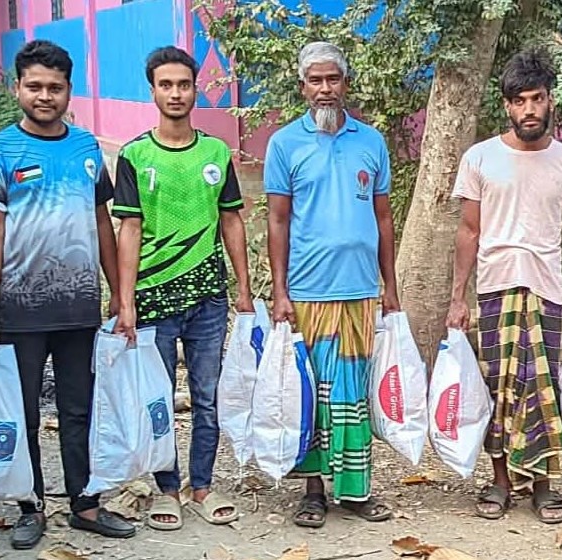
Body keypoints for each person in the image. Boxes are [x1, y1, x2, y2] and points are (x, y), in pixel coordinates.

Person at [0, 39, 136, 549]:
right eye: (35, 86)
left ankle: (85, 502)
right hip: (18, 310)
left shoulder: (86, 149)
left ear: (69, 91)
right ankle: (31, 505)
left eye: (55, 88)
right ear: (17, 88)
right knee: (21, 410)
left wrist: (119, 296)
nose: (45, 96)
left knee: (80, 408)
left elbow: (101, 223)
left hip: (78, 308)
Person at [446, 48, 562, 525]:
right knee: (498, 388)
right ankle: (499, 482)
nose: (529, 109)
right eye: (520, 101)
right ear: (507, 105)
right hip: (495, 289)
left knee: (542, 387)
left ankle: (544, 486)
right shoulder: (480, 158)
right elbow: (469, 231)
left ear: (550, 101)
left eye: (537, 99)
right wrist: (458, 297)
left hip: (547, 290)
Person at [112, 46, 252, 531]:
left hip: (208, 297)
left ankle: (203, 485)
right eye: (166, 85)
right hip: (152, 295)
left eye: (184, 84)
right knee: (160, 396)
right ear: (152, 91)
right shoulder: (134, 155)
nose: (175, 93)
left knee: (207, 395)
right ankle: (166, 490)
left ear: (196, 89)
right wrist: (125, 301)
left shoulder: (215, 152)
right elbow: (127, 230)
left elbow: (231, 220)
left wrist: (244, 289)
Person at [264, 41, 398, 527]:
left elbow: (383, 219)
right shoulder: (285, 144)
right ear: (303, 87)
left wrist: (392, 289)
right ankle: (314, 492)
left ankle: (356, 492)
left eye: (333, 79)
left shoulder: (371, 142)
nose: (325, 89)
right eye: (315, 80)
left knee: (352, 394)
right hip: (308, 292)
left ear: (346, 84)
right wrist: (279, 291)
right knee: (314, 394)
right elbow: (277, 221)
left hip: (361, 291)